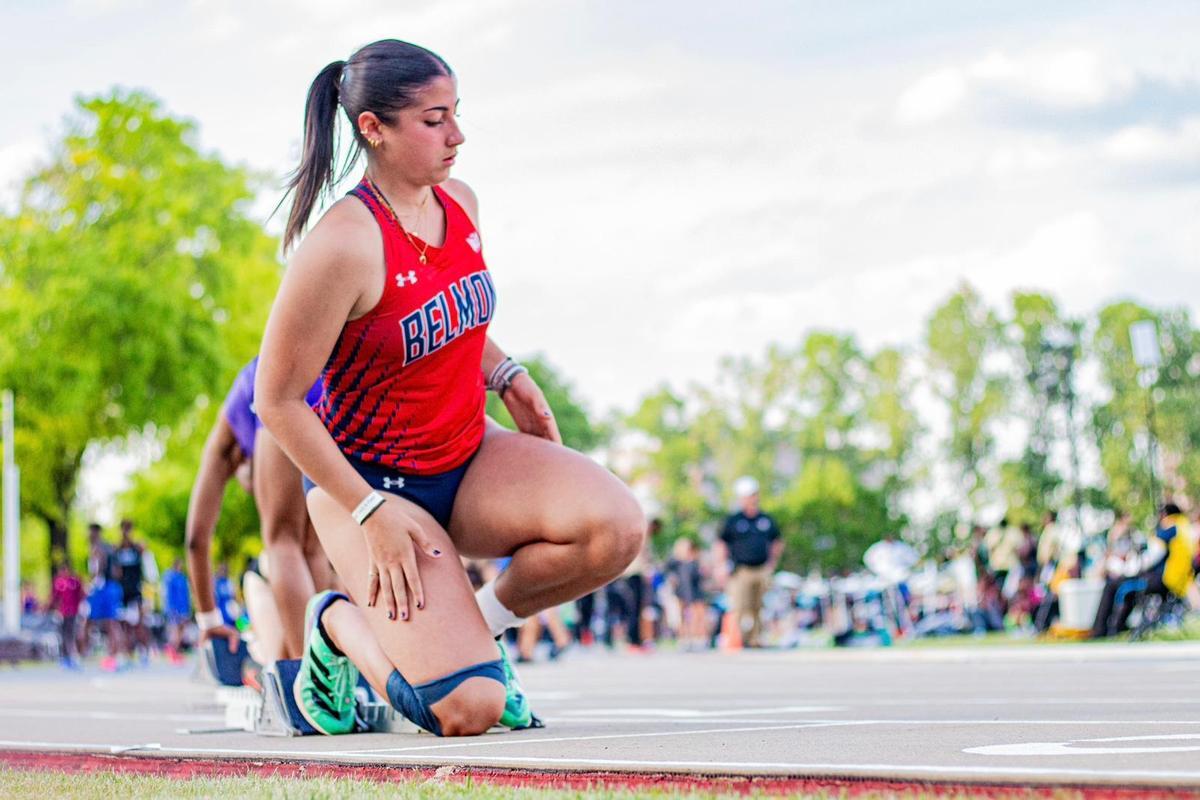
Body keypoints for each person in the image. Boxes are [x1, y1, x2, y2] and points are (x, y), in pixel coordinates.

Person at [255, 39, 644, 738]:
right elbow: (276, 401)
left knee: (616, 529)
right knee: (466, 711)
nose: (457, 135)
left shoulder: (460, 202)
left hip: (466, 454)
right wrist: (369, 511)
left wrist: (507, 374)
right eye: (435, 120)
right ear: (374, 128)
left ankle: (479, 637)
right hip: (371, 484)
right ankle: (336, 624)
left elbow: (441, 314)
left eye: (457, 113)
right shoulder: (343, 243)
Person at [185, 356, 335, 660]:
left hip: (282, 386)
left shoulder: (235, 416)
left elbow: (195, 539)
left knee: (282, 542)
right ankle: (312, 665)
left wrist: (209, 620)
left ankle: (311, 671)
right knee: (314, 550)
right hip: (336, 385)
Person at [1091, 503, 1196, 638]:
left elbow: (1149, 559)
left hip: (1160, 579)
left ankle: (1100, 630)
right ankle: (1116, 628)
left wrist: (1127, 567)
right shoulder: (1184, 528)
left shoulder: (1169, 530)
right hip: (1175, 581)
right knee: (1124, 587)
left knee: (1113, 585)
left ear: (1165, 515)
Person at [716, 476, 782, 648]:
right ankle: (738, 638)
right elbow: (721, 543)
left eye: (754, 495)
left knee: (759, 605)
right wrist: (722, 565)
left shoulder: (765, 519)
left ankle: (756, 638)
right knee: (740, 605)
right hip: (741, 570)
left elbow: (777, 541)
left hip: (761, 568)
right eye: (748, 495)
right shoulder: (733, 520)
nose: (752, 499)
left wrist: (772, 562)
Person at [83, 522, 123, 671]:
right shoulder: (110, 547)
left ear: (95, 533)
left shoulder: (98, 548)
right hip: (113, 587)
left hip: (104, 587)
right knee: (111, 622)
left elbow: (99, 567)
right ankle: (113, 656)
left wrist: (94, 582)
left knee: (107, 623)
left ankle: (110, 656)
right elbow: (119, 571)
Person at [114, 519, 151, 665]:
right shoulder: (116, 550)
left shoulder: (137, 549)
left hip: (135, 591)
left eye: (128, 529)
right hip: (122, 593)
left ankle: (144, 651)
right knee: (124, 625)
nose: (126, 532)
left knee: (139, 623)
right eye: (124, 529)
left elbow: (147, 569)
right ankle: (127, 653)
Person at [49, 561, 85, 669]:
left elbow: (81, 595)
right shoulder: (60, 582)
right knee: (63, 634)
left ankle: (73, 656)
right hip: (63, 612)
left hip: (72, 612)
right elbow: (55, 598)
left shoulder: (73, 582)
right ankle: (66, 657)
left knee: (70, 634)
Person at [161, 559, 192, 665]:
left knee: (181, 630)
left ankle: (175, 650)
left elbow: (186, 595)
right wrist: (172, 609)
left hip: (183, 608)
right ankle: (172, 651)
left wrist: (187, 609)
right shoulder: (170, 578)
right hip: (175, 609)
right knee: (175, 630)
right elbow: (169, 595)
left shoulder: (182, 578)